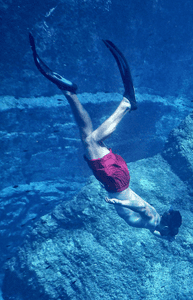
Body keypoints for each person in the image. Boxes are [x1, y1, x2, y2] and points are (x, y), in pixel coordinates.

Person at [29, 33, 181, 239]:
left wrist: (164, 233)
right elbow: (141, 207)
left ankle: (69, 92)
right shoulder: (152, 219)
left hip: (120, 178)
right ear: (165, 227)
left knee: (88, 137)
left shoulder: (157, 226)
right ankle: (126, 104)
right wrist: (119, 202)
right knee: (91, 141)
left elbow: (166, 235)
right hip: (115, 184)